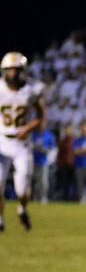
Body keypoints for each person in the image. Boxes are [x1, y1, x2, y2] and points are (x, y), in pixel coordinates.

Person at [0, 52, 46, 231]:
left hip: (22, 144)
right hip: (2, 140)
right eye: (9, 70)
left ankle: (22, 208)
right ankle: (1, 219)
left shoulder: (31, 90)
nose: (13, 74)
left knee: (21, 189)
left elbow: (40, 116)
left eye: (16, 70)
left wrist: (27, 128)